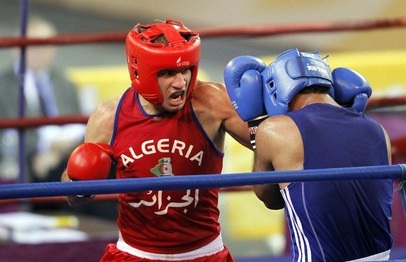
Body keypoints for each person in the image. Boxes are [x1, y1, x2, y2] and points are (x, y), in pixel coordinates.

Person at [61, 19, 252, 261]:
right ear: (142, 72)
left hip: (204, 253)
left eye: (185, 70)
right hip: (134, 254)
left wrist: (268, 115)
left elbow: (268, 147)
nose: (181, 82)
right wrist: (79, 180)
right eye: (169, 73)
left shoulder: (212, 103)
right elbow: (72, 198)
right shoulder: (109, 118)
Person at [224, 48, 393, 261]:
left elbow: (270, 199)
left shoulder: (276, 129)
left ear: (274, 87)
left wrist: (256, 122)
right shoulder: (378, 130)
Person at [0, 16, 85, 211]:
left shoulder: (65, 84)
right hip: (27, 163)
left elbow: (81, 126)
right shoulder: (3, 86)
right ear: (16, 47)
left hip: (66, 159)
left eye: (47, 45)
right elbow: (5, 137)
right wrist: (42, 147)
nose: (42, 52)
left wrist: (56, 152)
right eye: (35, 45)